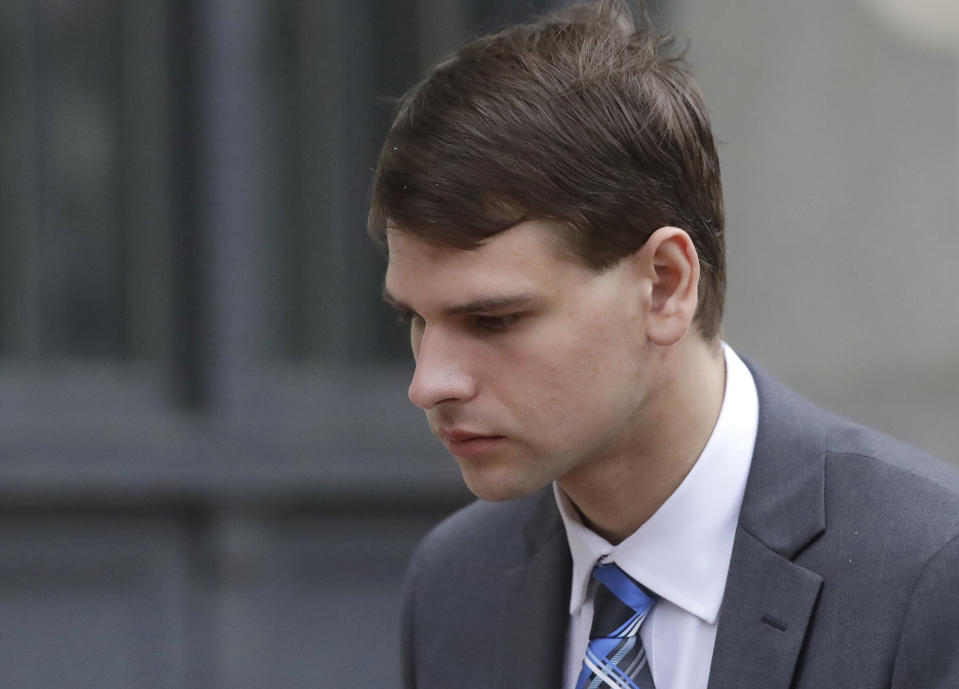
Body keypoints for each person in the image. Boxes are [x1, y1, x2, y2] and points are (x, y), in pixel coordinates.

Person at [367, 2, 959, 688]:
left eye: (494, 319)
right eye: (415, 319)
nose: (429, 383)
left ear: (664, 285)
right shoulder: (455, 585)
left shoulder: (926, 574)